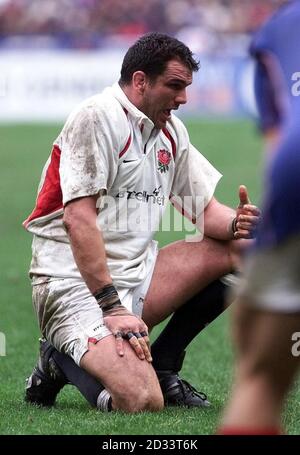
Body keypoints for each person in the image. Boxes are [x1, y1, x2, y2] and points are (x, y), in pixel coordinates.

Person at [23, 32, 259, 413]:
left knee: (247, 251)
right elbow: (77, 220)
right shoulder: (96, 117)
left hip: (136, 277)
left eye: (186, 87)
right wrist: (112, 308)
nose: (183, 98)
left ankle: (163, 365)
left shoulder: (169, 131)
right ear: (139, 81)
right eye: (175, 85)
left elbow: (206, 212)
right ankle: (58, 358)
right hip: (73, 286)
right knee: (142, 401)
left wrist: (240, 225)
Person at [218, 0, 300, 435]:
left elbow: (281, 154)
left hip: (296, 175)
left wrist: (268, 232)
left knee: (261, 374)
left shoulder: (277, 29)